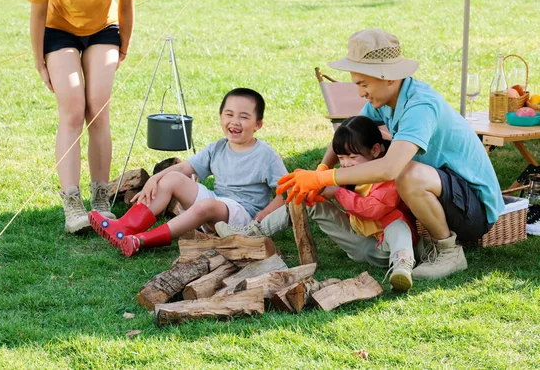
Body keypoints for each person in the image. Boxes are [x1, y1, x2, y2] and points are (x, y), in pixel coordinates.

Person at [277, 28, 505, 280]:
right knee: (401, 168)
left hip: (475, 213)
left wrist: (323, 179)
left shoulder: (419, 106)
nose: (360, 93)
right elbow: (348, 130)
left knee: (406, 173)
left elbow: (389, 168)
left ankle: (449, 252)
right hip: (450, 196)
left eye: (363, 84)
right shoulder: (388, 100)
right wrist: (321, 168)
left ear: (388, 78)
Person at [26, 0, 147, 233]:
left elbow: (126, 5)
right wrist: (40, 61)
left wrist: (124, 47)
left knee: (98, 110)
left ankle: (101, 198)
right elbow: (38, 13)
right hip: (58, 31)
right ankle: (72, 204)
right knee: (73, 111)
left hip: (103, 31)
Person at [217, 115, 420, 291]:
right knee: (306, 200)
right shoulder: (347, 174)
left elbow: (373, 209)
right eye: (341, 157)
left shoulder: (389, 173)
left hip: (385, 249)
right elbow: (328, 188)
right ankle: (252, 233)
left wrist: (338, 192)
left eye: (352, 156)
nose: (346, 163)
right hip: (358, 243)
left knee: (397, 224)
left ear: (375, 150)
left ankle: (401, 266)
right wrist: (312, 187)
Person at [88, 88, 288, 257]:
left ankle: (142, 240)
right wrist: (156, 178)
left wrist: (264, 215)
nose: (235, 122)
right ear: (221, 117)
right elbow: (185, 168)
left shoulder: (265, 155)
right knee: (173, 177)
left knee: (206, 206)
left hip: (244, 218)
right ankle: (123, 227)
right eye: (229, 114)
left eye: (244, 117)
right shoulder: (218, 147)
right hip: (219, 203)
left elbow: (286, 191)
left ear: (258, 124)